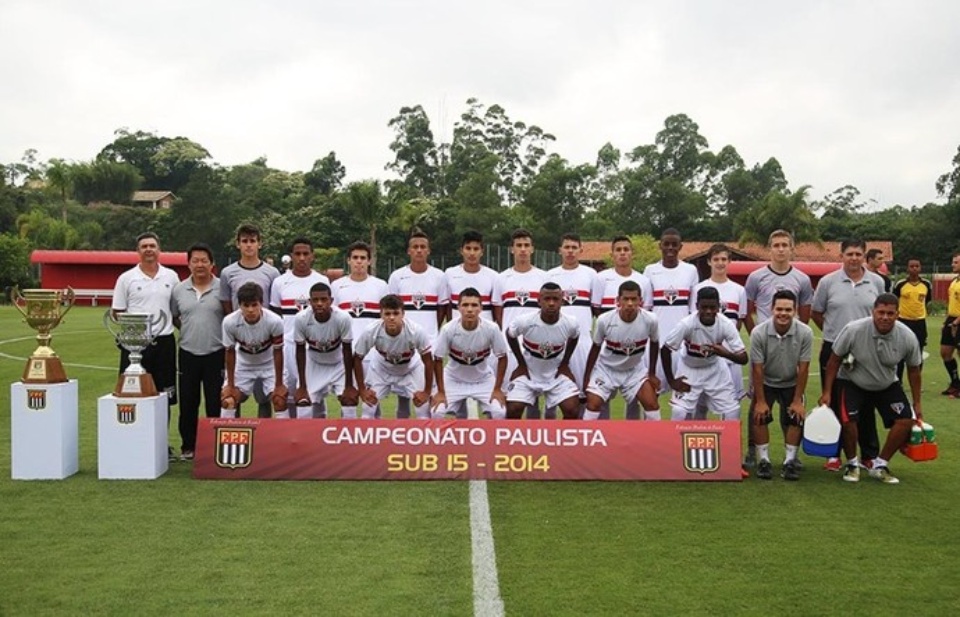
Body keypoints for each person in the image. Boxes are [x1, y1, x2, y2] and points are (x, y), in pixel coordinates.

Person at [818, 294, 923, 484]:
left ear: (897, 314)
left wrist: (917, 402)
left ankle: (880, 465)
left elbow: (914, 370)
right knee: (848, 421)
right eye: (881, 312)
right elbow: (833, 361)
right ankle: (852, 464)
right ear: (873, 312)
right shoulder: (853, 329)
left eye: (890, 313)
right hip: (852, 381)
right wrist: (827, 392)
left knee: (906, 420)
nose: (885, 317)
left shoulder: (907, 336)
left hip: (886, 383)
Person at [741, 229, 814, 469]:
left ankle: (792, 456)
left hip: (789, 342)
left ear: (792, 248)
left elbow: (804, 313)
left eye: (785, 244)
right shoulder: (756, 277)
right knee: (758, 404)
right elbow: (747, 309)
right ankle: (754, 451)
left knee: (792, 406)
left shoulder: (802, 279)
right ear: (769, 248)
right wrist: (756, 335)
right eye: (776, 245)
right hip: (765, 343)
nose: (780, 249)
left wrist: (793, 340)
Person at [812, 239, 886, 471]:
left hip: (867, 350)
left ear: (864, 256)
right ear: (841, 255)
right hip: (834, 348)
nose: (854, 258)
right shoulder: (827, 282)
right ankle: (833, 455)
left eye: (858, 254)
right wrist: (838, 336)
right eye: (849, 254)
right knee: (832, 400)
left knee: (866, 402)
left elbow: (881, 313)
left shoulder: (877, 282)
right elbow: (816, 313)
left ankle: (869, 454)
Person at [111, 232, 180, 459]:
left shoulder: (171, 276)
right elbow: (117, 312)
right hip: (135, 347)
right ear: (138, 251)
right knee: (132, 393)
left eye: (152, 245)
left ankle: (162, 445)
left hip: (164, 341)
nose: (148, 249)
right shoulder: (126, 278)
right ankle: (134, 441)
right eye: (144, 246)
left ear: (159, 249)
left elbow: (176, 310)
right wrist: (133, 335)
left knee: (164, 396)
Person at [749, 290, 813, 481]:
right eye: (779, 309)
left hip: (791, 381)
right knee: (759, 415)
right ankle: (764, 460)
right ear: (771, 309)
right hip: (766, 380)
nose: (783, 313)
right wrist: (760, 401)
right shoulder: (759, 332)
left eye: (788, 309)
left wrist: (797, 400)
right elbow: (757, 369)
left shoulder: (805, 332)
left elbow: (803, 368)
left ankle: (789, 461)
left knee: (796, 417)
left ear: (795, 311)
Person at [170, 242, 224, 461]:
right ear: (188, 264)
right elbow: (174, 316)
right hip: (188, 352)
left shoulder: (223, 287)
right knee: (188, 402)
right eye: (195, 261)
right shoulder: (179, 289)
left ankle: (215, 444)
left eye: (204, 260)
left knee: (216, 401)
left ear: (212, 264)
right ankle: (188, 446)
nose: (200, 264)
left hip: (216, 352)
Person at [660, 287, 748, 421]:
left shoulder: (726, 324)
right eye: (704, 307)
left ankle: (727, 442)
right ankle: (678, 442)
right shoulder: (686, 324)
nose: (708, 311)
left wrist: (726, 354)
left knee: (732, 412)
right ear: (697, 307)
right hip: (689, 369)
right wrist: (672, 381)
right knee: (679, 412)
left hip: (715, 369)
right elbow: (665, 350)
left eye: (712, 307)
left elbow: (744, 358)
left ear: (718, 307)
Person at [591, 235, 653, 420]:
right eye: (618, 250)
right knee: (603, 395)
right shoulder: (601, 278)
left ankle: (631, 437)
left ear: (632, 253)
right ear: (612, 254)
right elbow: (596, 309)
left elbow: (646, 313)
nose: (622, 253)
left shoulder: (643, 280)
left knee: (634, 395)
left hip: (634, 348)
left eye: (626, 249)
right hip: (608, 346)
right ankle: (603, 435)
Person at [389, 229, 448, 418]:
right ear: (409, 251)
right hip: (402, 343)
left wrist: (431, 331)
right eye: (415, 247)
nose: (419, 250)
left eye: (423, 247)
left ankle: (427, 438)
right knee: (403, 396)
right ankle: (403, 438)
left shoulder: (439, 276)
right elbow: (391, 309)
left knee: (426, 394)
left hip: (428, 342)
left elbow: (442, 309)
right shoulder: (397, 276)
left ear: (429, 251)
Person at [582, 281, 661, 421]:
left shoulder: (651, 320)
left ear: (640, 301)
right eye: (626, 299)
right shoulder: (604, 320)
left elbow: (654, 344)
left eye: (634, 299)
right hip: (607, 369)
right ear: (618, 301)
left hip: (634, 370)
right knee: (593, 405)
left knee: (652, 405)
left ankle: (652, 441)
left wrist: (652, 373)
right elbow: (595, 348)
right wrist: (587, 377)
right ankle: (586, 441)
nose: (630, 303)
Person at [269, 237, 330, 417]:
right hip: (289, 345)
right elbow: (276, 316)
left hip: (314, 346)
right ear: (291, 256)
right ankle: (290, 437)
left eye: (306, 254)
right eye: (298, 254)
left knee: (315, 392)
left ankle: (316, 435)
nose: (302, 258)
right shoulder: (280, 282)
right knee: (289, 394)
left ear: (312, 256)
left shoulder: (322, 280)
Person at [505, 282, 581, 420]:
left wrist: (565, 364)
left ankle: (560, 440)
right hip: (529, 372)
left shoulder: (571, 323)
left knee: (573, 409)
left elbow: (575, 337)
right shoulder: (524, 321)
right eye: (546, 299)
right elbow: (510, 334)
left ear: (562, 301)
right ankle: (518, 440)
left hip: (555, 374)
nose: (551, 303)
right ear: (539, 301)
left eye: (555, 299)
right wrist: (521, 364)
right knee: (513, 409)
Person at [493, 228, 548, 418]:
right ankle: (511, 443)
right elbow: (498, 313)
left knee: (535, 396)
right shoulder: (501, 278)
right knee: (512, 399)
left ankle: (534, 441)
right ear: (512, 249)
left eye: (526, 245)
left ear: (532, 249)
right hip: (511, 347)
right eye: (519, 246)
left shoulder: (543, 277)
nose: (523, 249)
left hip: (537, 346)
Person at [331, 241, 389, 418]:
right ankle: (348, 442)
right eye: (355, 258)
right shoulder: (337, 286)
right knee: (348, 401)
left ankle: (373, 442)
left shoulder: (381, 286)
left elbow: (385, 321)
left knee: (371, 402)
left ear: (369, 261)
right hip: (346, 354)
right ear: (348, 261)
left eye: (363, 258)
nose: (359, 262)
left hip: (372, 355)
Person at [352, 294, 434, 419]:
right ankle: (371, 438)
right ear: (381, 314)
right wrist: (362, 390)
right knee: (367, 411)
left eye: (396, 313)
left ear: (403, 314)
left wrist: (427, 392)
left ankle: (424, 438)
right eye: (387, 313)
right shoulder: (371, 331)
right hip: (381, 370)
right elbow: (357, 358)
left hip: (410, 369)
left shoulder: (416, 331)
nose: (391, 318)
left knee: (422, 410)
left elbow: (428, 361)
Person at [431, 287, 508, 419]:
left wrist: (497, 389)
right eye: (465, 305)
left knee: (499, 412)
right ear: (459, 308)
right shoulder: (448, 329)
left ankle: (491, 439)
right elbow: (437, 359)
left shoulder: (492, 329)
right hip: (453, 379)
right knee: (437, 413)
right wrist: (440, 391)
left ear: (481, 308)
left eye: (474, 305)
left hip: (483, 379)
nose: (470, 309)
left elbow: (502, 357)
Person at [547, 233, 599, 416]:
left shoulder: (591, 275)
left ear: (581, 250)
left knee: (583, 393)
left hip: (583, 341)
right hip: (555, 343)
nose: (570, 251)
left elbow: (596, 310)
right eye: (566, 247)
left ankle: (582, 434)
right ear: (560, 250)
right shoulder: (550, 275)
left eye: (574, 247)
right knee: (552, 393)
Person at [693, 244, 748, 416]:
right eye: (716, 259)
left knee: (731, 405)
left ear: (729, 261)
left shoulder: (739, 290)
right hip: (704, 356)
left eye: (724, 259)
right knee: (700, 404)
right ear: (709, 262)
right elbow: (694, 321)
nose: (720, 263)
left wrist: (727, 344)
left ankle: (729, 442)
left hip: (730, 355)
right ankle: (696, 441)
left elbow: (739, 321)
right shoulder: (698, 288)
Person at [643, 228, 699, 396]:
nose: (670, 248)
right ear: (660, 245)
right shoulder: (650, 270)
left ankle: (684, 424)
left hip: (682, 345)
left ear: (680, 247)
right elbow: (646, 310)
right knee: (652, 395)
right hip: (656, 343)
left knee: (685, 395)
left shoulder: (690, 270)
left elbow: (693, 309)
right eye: (666, 244)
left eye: (674, 245)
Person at [220, 282, 287, 418]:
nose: (250, 310)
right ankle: (229, 439)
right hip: (244, 365)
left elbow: (278, 351)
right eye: (246, 305)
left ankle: (281, 438)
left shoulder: (274, 321)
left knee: (280, 401)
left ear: (261, 303)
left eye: (254, 305)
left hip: (269, 365)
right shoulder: (229, 322)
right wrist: (231, 385)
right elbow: (230, 352)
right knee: (228, 400)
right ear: (239, 305)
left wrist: (279, 384)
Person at [293, 282, 356, 418]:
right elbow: (300, 351)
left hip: (338, 364)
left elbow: (347, 350)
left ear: (331, 301)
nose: (319, 303)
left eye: (324, 299)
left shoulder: (343, 318)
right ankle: (306, 439)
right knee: (303, 402)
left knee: (349, 401)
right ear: (310, 302)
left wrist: (349, 385)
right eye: (315, 300)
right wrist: (302, 386)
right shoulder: (301, 319)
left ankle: (348, 437)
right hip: (314, 363)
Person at [219, 223, 281, 314]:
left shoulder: (273, 273)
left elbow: (276, 304)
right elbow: (226, 303)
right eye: (244, 241)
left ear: (259, 244)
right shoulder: (227, 273)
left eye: (252, 241)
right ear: (238, 244)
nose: (248, 245)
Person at [892, 257, 933, 382]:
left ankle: (916, 380)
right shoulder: (901, 284)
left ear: (920, 268)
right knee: (900, 352)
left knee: (918, 352)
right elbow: (894, 300)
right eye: (912, 266)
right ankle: (898, 381)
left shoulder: (926, 284)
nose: (914, 268)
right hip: (903, 321)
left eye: (917, 266)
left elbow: (928, 300)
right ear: (907, 268)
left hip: (920, 322)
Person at [443, 230, 498, 322]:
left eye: (476, 249)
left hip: (484, 334)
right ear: (461, 251)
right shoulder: (450, 274)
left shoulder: (493, 276)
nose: (472, 253)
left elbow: (496, 309)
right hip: (458, 333)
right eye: (468, 248)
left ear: (482, 251)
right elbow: (448, 307)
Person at [939, 251, 960, 397]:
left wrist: (957, 322)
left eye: (956, 262)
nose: (953, 265)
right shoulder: (954, 282)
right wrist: (947, 321)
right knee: (945, 353)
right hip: (951, 319)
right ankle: (955, 383)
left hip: (958, 321)